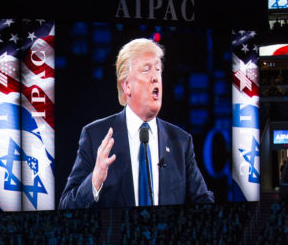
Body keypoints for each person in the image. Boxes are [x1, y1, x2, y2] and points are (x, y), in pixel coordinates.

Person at [59, 38, 213, 209]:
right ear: (127, 86)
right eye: (146, 70)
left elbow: (204, 204)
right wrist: (94, 181)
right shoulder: (95, 136)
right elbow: (66, 207)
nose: (156, 77)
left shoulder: (181, 142)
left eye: (158, 69)